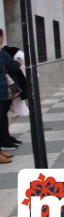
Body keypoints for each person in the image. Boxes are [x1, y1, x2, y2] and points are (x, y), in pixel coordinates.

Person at [0, 28, 22, 159]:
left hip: (3, 88)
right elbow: (11, 66)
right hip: (2, 89)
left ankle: (4, 141)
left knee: (3, 116)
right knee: (1, 116)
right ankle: (4, 141)